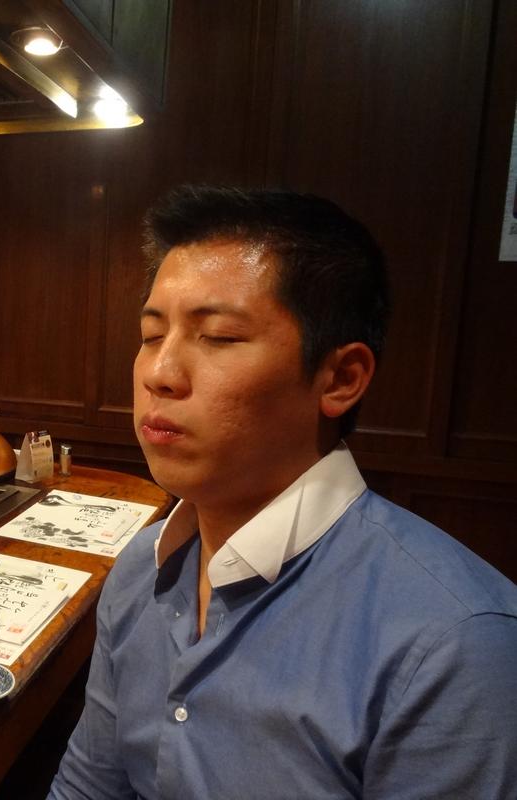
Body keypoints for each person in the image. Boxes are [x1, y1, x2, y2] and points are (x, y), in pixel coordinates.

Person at [48, 185, 517, 799]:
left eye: (217, 336)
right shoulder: (141, 569)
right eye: (151, 333)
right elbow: (91, 785)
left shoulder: (455, 642)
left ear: (341, 378)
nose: (160, 373)